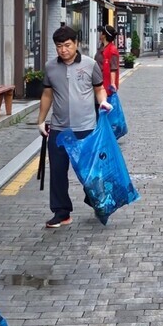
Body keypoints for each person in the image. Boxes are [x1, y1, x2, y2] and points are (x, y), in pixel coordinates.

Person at [37, 26, 112, 228]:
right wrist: (41, 120)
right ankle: (61, 212)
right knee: (58, 172)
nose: (63, 50)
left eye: (67, 45)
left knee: (90, 171)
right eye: (59, 46)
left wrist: (103, 102)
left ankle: (98, 201)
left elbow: (99, 89)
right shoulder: (50, 67)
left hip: (86, 127)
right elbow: (47, 95)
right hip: (60, 129)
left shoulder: (89, 64)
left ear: (76, 44)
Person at [95, 25, 120, 92]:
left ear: (104, 36)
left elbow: (113, 69)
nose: (99, 34)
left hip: (106, 86)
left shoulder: (112, 50)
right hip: (98, 83)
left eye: (101, 33)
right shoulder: (102, 47)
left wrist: (112, 84)